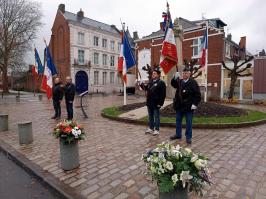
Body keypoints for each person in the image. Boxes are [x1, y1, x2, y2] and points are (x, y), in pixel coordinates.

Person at [170, 67, 201, 144]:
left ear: (189, 74)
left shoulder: (193, 82)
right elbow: (173, 84)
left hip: (188, 106)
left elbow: (197, 95)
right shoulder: (179, 81)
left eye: (186, 73)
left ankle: (188, 137)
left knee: (189, 122)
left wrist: (195, 104)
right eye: (183, 73)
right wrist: (174, 77)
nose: (184, 74)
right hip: (179, 106)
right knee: (178, 121)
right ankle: (178, 134)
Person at [142, 67, 166, 136]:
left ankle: (157, 129)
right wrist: (141, 84)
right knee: (150, 116)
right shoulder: (151, 82)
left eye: (155, 74)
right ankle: (151, 128)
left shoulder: (161, 83)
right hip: (149, 102)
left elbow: (163, 94)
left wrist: (160, 103)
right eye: (153, 73)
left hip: (156, 103)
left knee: (156, 116)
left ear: (158, 75)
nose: (153, 75)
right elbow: (146, 88)